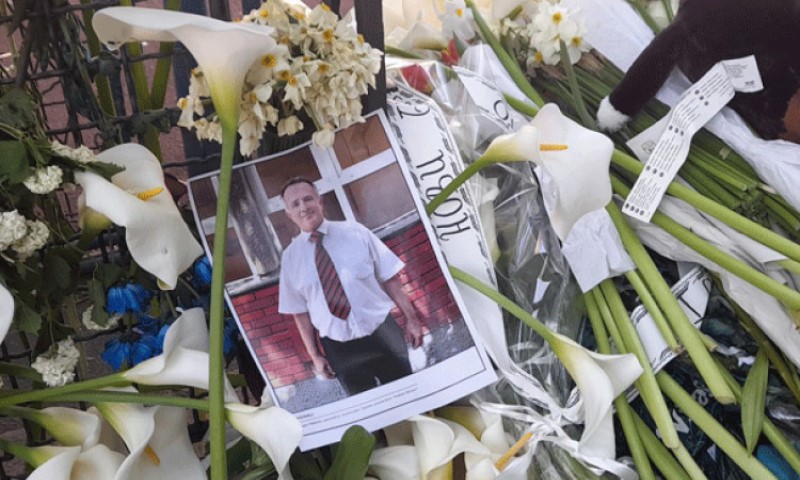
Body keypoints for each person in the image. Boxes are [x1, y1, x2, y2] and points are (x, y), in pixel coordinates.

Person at [277, 176, 424, 396]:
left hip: (383, 334)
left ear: (320, 201)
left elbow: (390, 278)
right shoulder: (290, 258)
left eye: (308, 199)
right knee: (367, 411)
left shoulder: (356, 232)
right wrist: (315, 356)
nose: (303, 207)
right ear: (289, 214)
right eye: (295, 204)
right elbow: (300, 313)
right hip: (339, 348)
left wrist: (412, 320)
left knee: (410, 396)